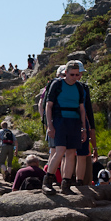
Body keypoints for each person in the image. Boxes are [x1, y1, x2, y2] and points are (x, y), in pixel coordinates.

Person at [42, 61, 87, 196]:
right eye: (71, 74)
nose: (74, 77)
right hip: (60, 120)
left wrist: (84, 128)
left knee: (71, 152)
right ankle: (47, 181)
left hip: (74, 121)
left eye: (77, 74)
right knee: (60, 150)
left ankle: (66, 184)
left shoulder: (79, 87)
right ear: (65, 73)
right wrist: (49, 125)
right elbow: (48, 106)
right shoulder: (57, 84)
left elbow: (82, 109)